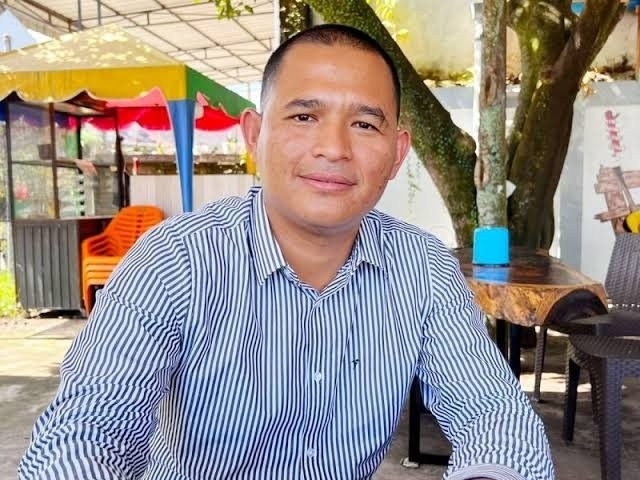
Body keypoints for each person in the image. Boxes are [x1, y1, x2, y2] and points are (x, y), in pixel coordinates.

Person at [19, 24, 553, 480]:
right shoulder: (177, 259)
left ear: (396, 154)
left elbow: (494, 415)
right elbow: (88, 427)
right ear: (254, 136)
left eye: (364, 124)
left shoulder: (423, 268)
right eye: (303, 117)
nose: (334, 148)